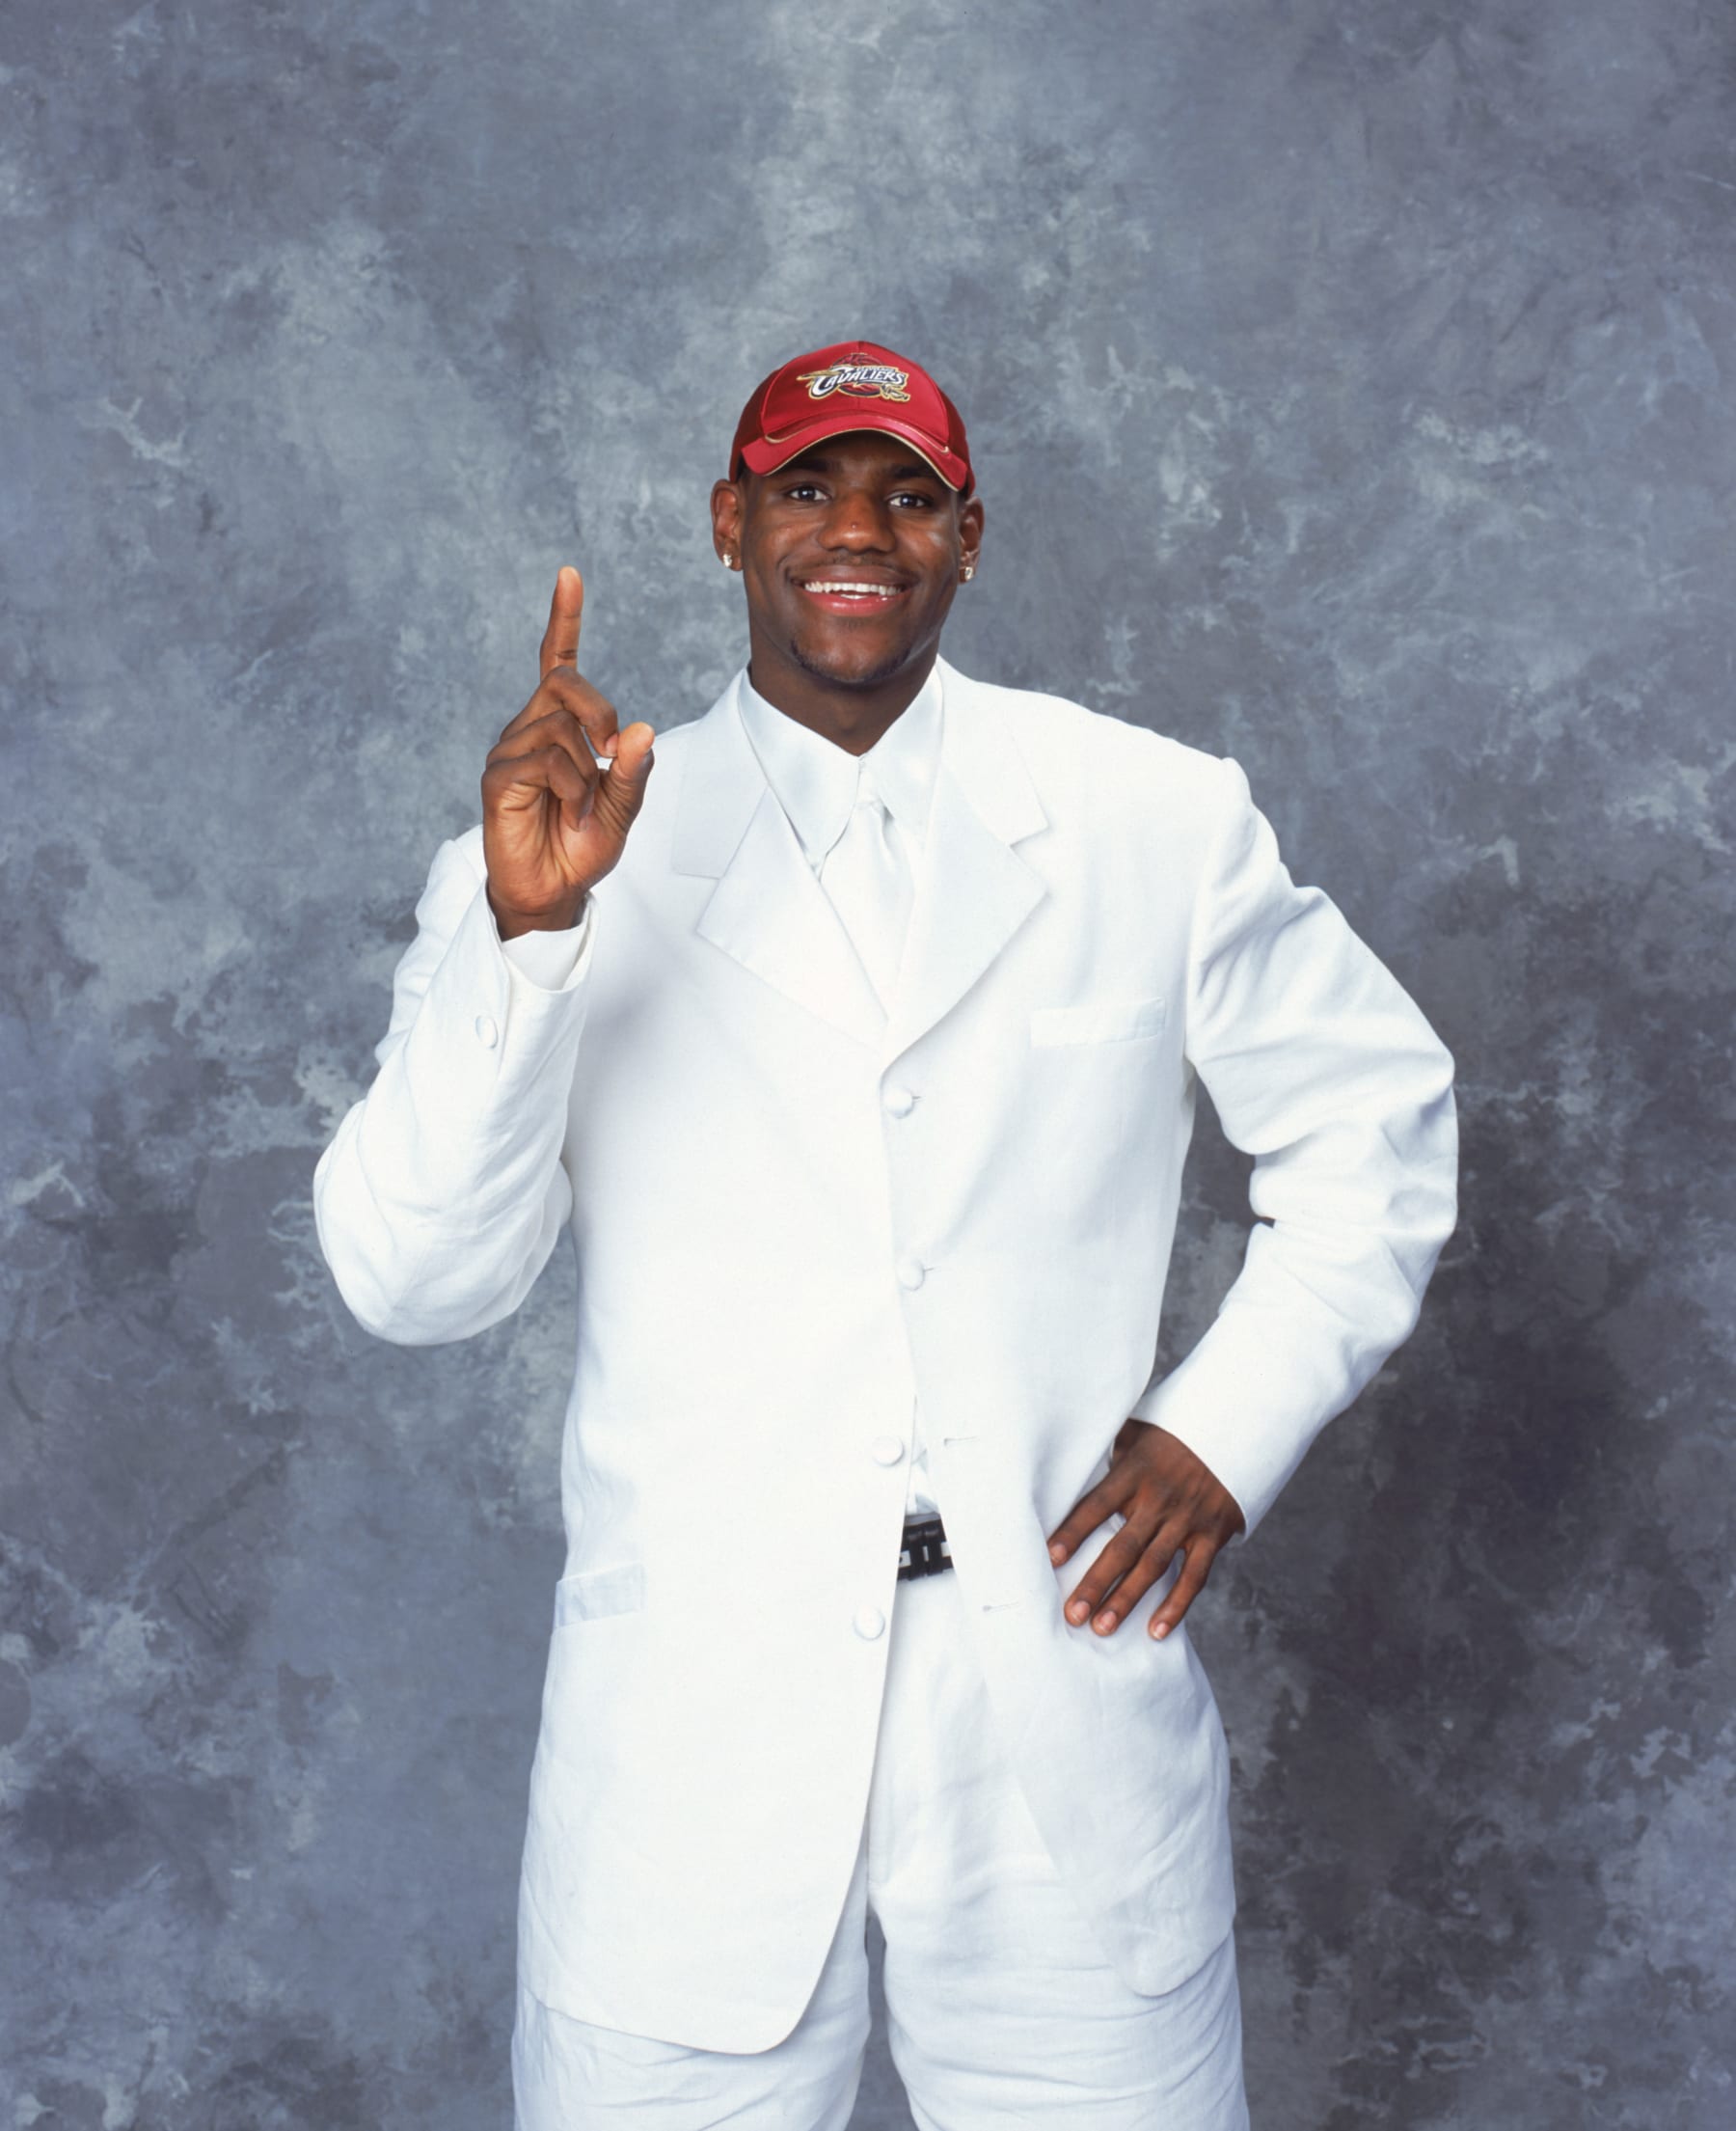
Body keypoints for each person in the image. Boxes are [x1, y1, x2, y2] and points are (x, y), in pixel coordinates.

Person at [312, 338, 1457, 2128]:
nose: (858, 529)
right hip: (693, 1760)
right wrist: (529, 944)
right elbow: (411, 1279)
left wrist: (1215, 1431)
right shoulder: (557, 848)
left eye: (907, 492)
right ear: (728, 523)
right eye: (806, 487)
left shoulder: (1149, 817)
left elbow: (1379, 1128)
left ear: (969, 537)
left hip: (1055, 1740)